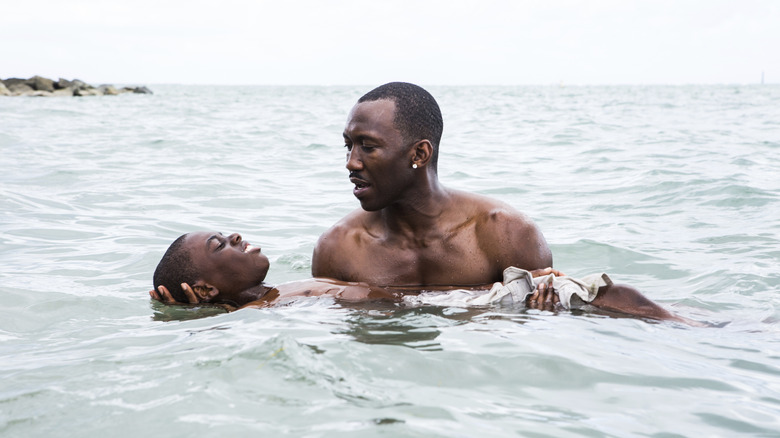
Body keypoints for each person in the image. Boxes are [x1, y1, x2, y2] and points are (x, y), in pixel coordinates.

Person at [149, 231, 695, 324]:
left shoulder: (267, 294)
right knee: (605, 295)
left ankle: (701, 327)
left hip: (456, 302)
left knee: (606, 297)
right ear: (205, 289)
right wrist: (185, 309)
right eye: (221, 246)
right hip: (453, 313)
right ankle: (705, 330)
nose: (238, 239)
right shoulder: (250, 312)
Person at [312, 82, 552, 288]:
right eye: (348, 146)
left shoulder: (506, 235)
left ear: (419, 154)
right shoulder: (337, 249)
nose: (351, 163)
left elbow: (537, 332)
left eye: (368, 147)